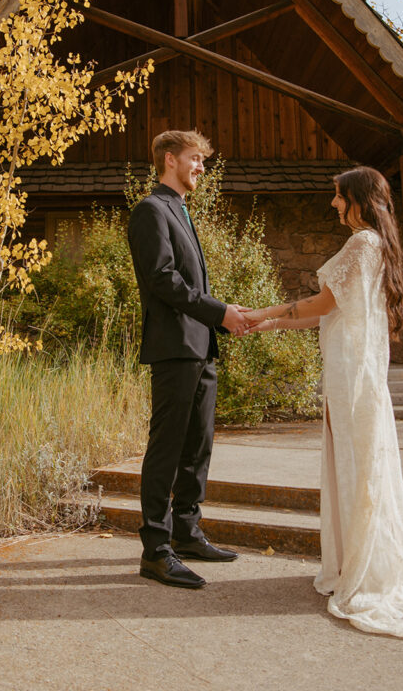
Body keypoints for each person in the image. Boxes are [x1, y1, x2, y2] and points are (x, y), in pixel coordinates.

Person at [244, 166, 403, 639]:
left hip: (353, 375)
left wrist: (263, 310)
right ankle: (358, 560)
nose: (333, 204)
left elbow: (322, 304)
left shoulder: (363, 244)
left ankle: (364, 571)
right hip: (353, 369)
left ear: (359, 199)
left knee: (356, 463)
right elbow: (328, 312)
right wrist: (268, 325)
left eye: (338, 196)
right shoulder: (377, 245)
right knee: (352, 462)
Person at [127, 129, 247, 589]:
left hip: (201, 346)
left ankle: (187, 532)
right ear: (171, 159)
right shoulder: (150, 210)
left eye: (203, 161)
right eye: (196, 159)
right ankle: (156, 550)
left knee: (198, 445)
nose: (201, 167)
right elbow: (162, 280)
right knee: (167, 448)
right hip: (174, 348)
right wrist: (220, 312)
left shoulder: (180, 210)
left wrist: (219, 319)